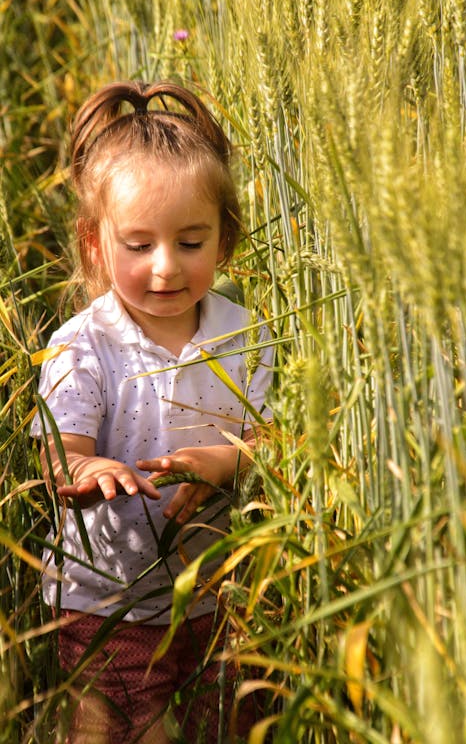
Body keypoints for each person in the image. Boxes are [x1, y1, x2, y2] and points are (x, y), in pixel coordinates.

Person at [31, 79, 274, 743]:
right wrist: (87, 467)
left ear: (224, 240)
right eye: (139, 246)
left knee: (229, 729)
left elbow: (266, 443)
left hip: (219, 595)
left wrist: (219, 462)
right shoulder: (82, 344)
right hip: (106, 601)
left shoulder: (245, 333)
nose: (166, 268)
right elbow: (61, 449)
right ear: (94, 243)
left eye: (190, 242)